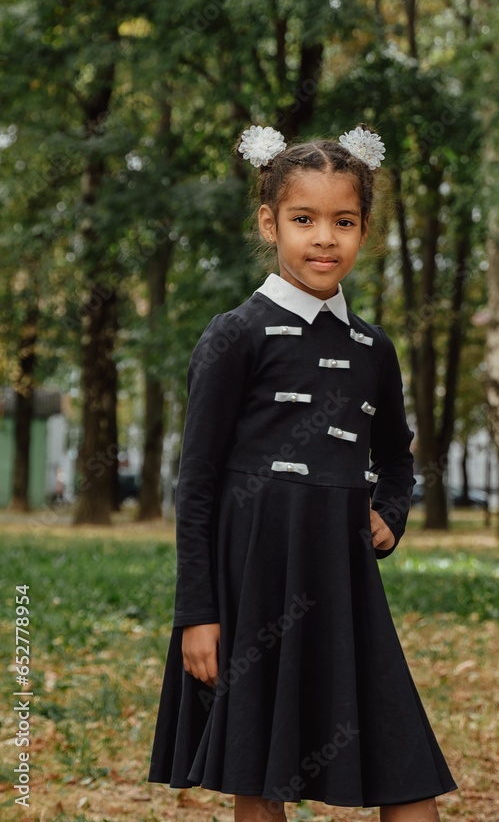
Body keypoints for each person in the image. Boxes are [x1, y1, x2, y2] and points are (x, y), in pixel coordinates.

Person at [147, 124, 457, 821]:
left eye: (342, 222)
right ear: (270, 223)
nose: (324, 238)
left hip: (343, 580)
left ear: (364, 231)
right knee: (257, 768)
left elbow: (397, 459)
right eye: (304, 219)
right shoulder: (235, 335)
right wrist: (196, 614)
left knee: (405, 768)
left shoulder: (373, 347)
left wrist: (391, 510)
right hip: (252, 577)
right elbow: (194, 484)